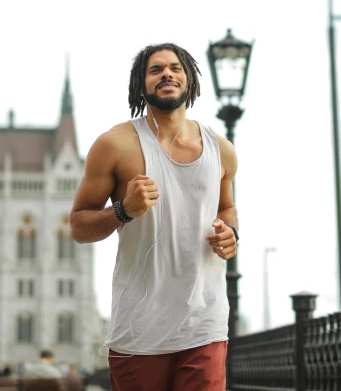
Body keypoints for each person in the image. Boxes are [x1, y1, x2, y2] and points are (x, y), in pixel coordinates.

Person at [71, 43, 239, 391]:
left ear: (190, 80)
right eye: (156, 69)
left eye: (176, 68)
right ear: (141, 84)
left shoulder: (221, 149)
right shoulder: (115, 144)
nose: (167, 73)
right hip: (139, 328)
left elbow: (226, 206)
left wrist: (231, 233)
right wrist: (123, 210)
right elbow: (78, 226)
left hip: (204, 321)